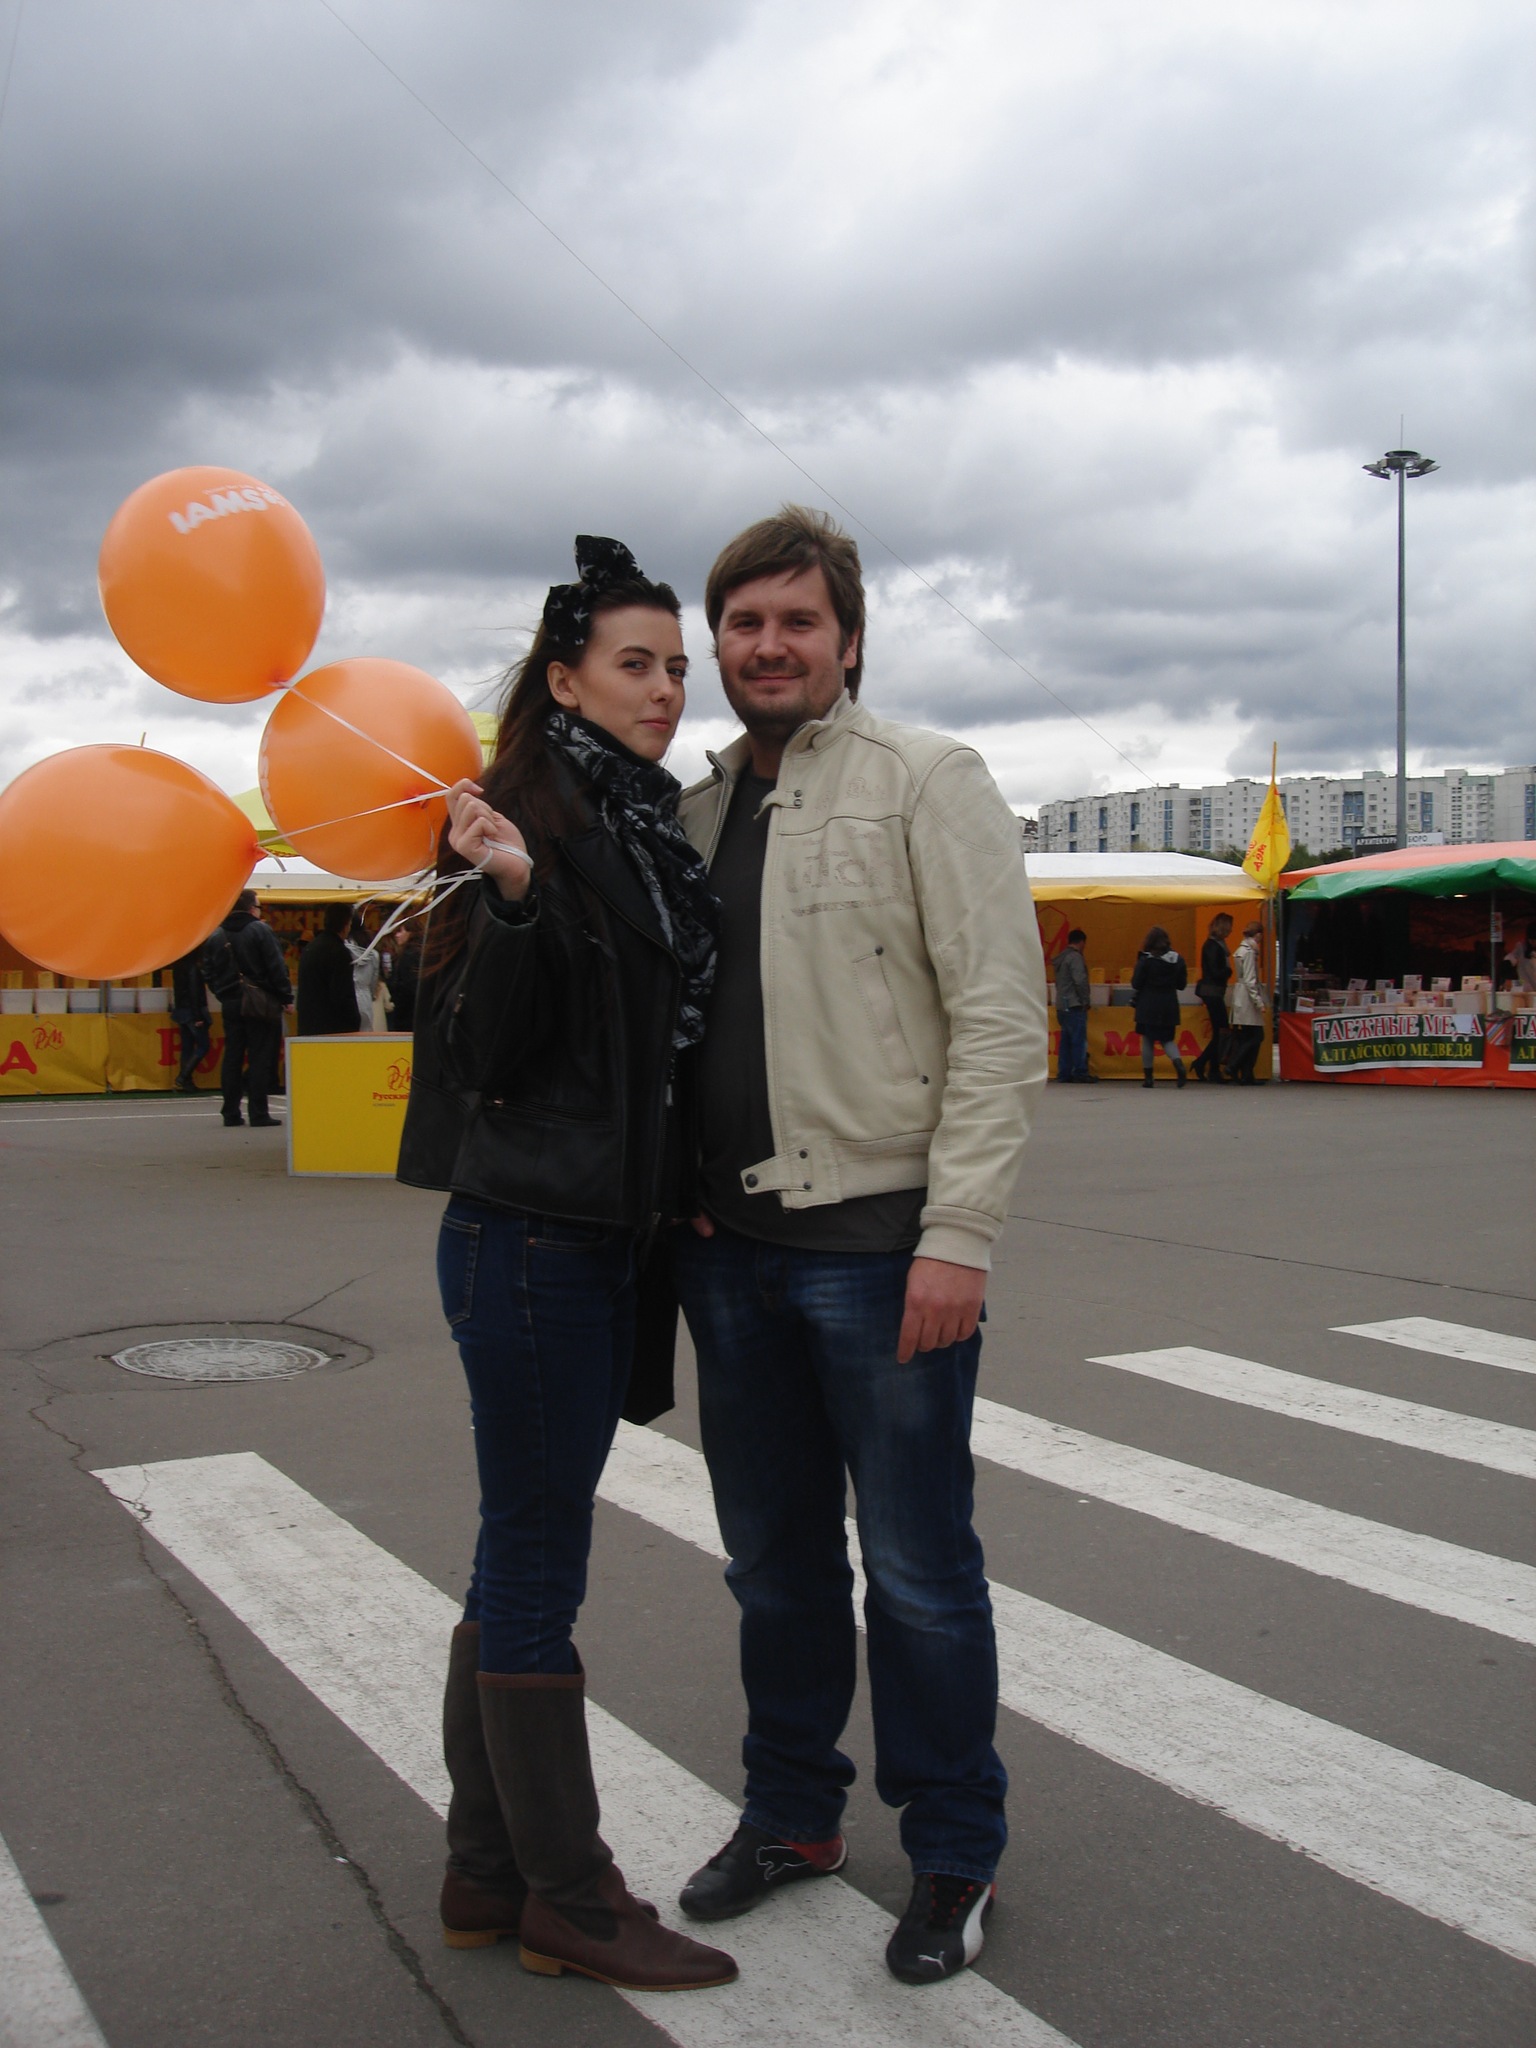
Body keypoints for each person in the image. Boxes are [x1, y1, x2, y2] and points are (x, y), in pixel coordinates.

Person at [670, 507, 1046, 1986]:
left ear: (847, 639)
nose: (768, 646)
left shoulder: (927, 779)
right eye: (744, 623)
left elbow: (1001, 1017)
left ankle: (955, 1847)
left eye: (797, 621)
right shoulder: (695, 810)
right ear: (717, 642)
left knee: (918, 1571)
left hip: (885, 1253)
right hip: (730, 1252)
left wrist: (961, 1233)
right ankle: (793, 1816)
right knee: (771, 1567)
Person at [395, 537, 735, 1994]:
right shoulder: (510, 819)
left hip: (589, 1238)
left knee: (516, 1547)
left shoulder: (643, 827)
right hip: (531, 1238)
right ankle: (571, 1897)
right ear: (563, 681)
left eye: (675, 667)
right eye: (633, 664)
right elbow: (478, 1048)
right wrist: (518, 895)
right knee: (539, 1560)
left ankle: (484, 1870)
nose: (664, 690)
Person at [200, 890, 291, 1127]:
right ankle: (258, 1112)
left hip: (230, 1001)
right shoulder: (260, 930)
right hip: (260, 1000)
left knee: (233, 1056)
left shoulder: (217, 934)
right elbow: (276, 966)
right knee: (260, 1056)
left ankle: (231, 1112)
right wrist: (286, 996)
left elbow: (207, 970)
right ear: (252, 908)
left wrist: (222, 992)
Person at [1131, 925, 1188, 1088]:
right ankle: (1178, 1063)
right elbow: (1182, 985)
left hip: (1148, 1004)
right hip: (1169, 1004)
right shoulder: (1177, 959)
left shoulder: (1146, 960)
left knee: (1148, 1040)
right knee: (1167, 1039)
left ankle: (1148, 1078)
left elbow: (1136, 983)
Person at [296, 903, 363, 1036]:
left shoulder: (311, 947)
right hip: (332, 1029)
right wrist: (354, 1020)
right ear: (346, 925)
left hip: (308, 1025)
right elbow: (342, 994)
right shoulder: (338, 952)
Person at [1190, 912, 1233, 1083]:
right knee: (1221, 1032)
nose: (1231, 931)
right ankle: (1206, 1065)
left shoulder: (1213, 944)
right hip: (1213, 992)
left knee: (1220, 1032)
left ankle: (1207, 1066)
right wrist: (1228, 972)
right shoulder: (1214, 946)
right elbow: (1215, 972)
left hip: (1212, 991)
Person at [1225, 919, 1268, 1083]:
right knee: (1257, 1036)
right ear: (1258, 935)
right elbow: (1250, 980)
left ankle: (1247, 1075)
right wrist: (1259, 1002)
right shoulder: (1250, 952)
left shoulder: (1240, 950)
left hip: (1240, 996)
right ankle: (1234, 1065)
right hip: (1248, 999)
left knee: (1246, 1036)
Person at [169, 944, 211, 1092]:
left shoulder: (178, 967)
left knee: (187, 1047)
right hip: (193, 1011)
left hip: (181, 1010)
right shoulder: (194, 968)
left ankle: (186, 1081)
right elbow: (194, 992)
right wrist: (198, 1016)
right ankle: (183, 1077)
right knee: (203, 1045)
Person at [1053, 927, 1094, 1081]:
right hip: (1074, 1003)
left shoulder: (1061, 958)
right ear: (1082, 942)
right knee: (1078, 1040)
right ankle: (1080, 1071)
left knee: (1065, 1041)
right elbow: (1080, 981)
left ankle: (1064, 1072)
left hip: (1062, 1004)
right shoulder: (1075, 958)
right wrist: (1085, 1000)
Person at [386, 925, 423, 1033]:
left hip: (406, 1013)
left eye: (400, 931)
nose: (397, 935)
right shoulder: (420, 952)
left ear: (411, 932)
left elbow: (408, 985)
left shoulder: (409, 955)